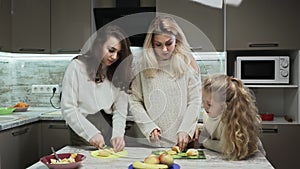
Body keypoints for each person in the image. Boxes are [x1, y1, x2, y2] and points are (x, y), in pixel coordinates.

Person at [129, 15, 202, 151]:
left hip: (183, 143)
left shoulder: (188, 61)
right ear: (151, 43)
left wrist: (185, 129)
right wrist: (149, 127)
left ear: (177, 40)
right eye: (158, 45)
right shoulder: (142, 65)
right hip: (153, 145)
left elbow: (195, 100)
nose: (164, 49)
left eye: (169, 43)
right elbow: (134, 100)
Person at [61, 25, 132, 152]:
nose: (115, 57)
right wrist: (91, 133)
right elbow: (68, 108)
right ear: (99, 45)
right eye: (111, 50)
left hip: (108, 127)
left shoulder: (118, 73)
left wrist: (118, 135)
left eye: (119, 54)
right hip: (82, 129)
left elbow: (120, 110)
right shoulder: (77, 67)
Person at [197, 74, 265, 160]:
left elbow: (229, 148)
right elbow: (213, 130)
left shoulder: (233, 122)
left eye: (209, 104)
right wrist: (198, 128)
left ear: (225, 105)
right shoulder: (209, 113)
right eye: (203, 101)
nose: (204, 107)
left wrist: (204, 142)